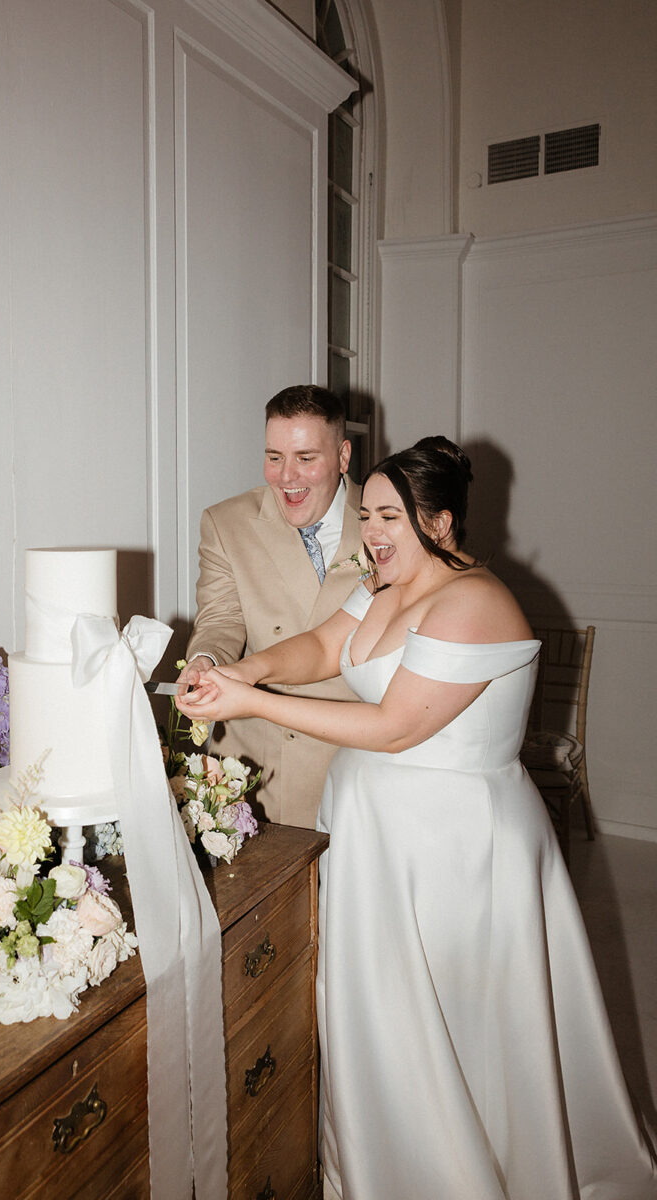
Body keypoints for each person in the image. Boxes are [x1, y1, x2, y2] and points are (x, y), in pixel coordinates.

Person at [178, 436, 657, 1200]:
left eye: (389, 516)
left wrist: (251, 704)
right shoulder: (384, 583)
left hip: (454, 848)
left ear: (438, 523)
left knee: (452, 1018)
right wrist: (245, 668)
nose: (370, 530)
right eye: (365, 513)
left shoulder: (475, 602)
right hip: (380, 837)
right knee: (381, 1014)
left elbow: (399, 727)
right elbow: (326, 646)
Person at [179, 384, 363, 829]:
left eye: (305, 458)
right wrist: (204, 661)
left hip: (355, 757)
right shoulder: (226, 523)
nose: (286, 477)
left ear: (342, 456)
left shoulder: (390, 521)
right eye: (274, 457)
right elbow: (221, 619)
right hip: (258, 768)